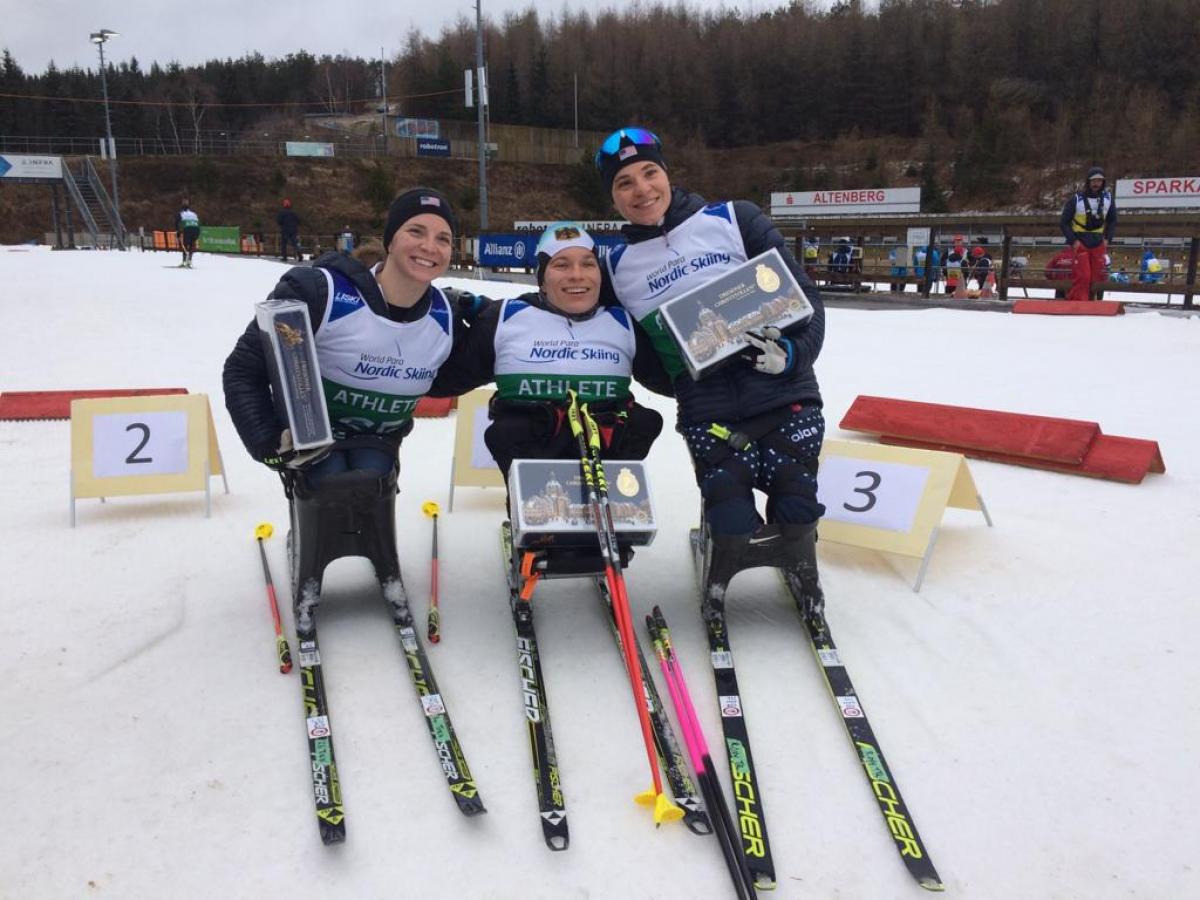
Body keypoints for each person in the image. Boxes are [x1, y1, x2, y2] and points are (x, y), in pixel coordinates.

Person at [594, 126, 827, 616]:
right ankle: (723, 569)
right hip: (711, 412)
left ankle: (804, 568)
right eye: (624, 183)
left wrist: (792, 353)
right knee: (731, 520)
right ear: (613, 197)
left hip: (786, 396)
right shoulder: (615, 265)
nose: (642, 190)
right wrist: (687, 374)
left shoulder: (733, 219)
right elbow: (643, 360)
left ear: (667, 173)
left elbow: (807, 301)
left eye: (649, 173)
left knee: (797, 508)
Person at [430, 222, 667, 480]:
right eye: (561, 264)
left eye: (588, 263)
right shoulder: (504, 318)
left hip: (618, 495)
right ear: (542, 278)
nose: (577, 275)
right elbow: (438, 381)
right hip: (537, 499)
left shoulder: (624, 322)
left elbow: (674, 380)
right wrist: (437, 325)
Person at [1060, 166, 1117, 302]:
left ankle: (1093, 303)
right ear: (1088, 182)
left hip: (1098, 243)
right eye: (1093, 181)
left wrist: (1107, 239)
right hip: (1080, 242)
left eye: (1099, 181)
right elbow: (1064, 222)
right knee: (1083, 276)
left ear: (1103, 182)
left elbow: (1112, 220)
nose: (1096, 184)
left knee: (1097, 277)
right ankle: (1078, 302)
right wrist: (1074, 241)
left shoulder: (1108, 199)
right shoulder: (1076, 199)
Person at [175, 200, 200, 268]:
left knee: (185, 245)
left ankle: (184, 261)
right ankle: (189, 261)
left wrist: (178, 232)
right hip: (196, 229)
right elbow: (198, 221)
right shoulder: (194, 213)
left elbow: (177, 224)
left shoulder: (180, 213)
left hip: (188, 229)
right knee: (192, 244)